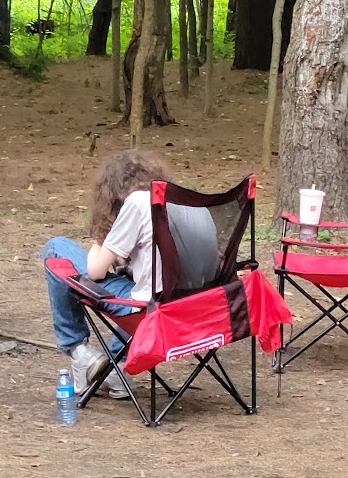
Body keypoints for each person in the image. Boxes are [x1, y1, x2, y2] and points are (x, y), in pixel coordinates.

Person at [43, 149, 219, 396]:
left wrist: (103, 233)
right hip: (197, 309)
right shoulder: (187, 205)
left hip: (152, 312)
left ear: (113, 192)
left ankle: (79, 352)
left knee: (56, 248)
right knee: (137, 282)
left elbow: (94, 271)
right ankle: (119, 369)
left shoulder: (137, 202)